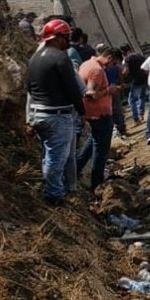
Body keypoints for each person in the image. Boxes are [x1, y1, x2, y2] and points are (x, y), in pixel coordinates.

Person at [26, 19, 85, 205]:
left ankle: (57, 189)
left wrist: (29, 117)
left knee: (50, 154)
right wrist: (81, 111)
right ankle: (54, 196)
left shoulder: (34, 58)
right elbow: (72, 89)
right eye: (66, 37)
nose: (68, 41)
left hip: (38, 113)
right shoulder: (61, 58)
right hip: (56, 116)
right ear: (57, 38)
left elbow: (28, 87)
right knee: (57, 158)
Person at [77, 46, 122, 190]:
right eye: (113, 63)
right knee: (101, 151)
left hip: (92, 114)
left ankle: (76, 168)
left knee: (92, 143)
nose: (112, 66)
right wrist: (109, 90)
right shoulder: (96, 70)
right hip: (99, 115)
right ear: (109, 58)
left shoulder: (86, 64)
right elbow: (91, 94)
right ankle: (97, 185)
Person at [123, 45, 148, 123]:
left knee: (132, 100)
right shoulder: (139, 56)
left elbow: (126, 72)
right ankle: (141, 114)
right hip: (144, 79)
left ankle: (136, 117)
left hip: (136, 81)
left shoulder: (128, 59)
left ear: (124, 52)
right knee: (142, 97)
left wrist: (121, 76)